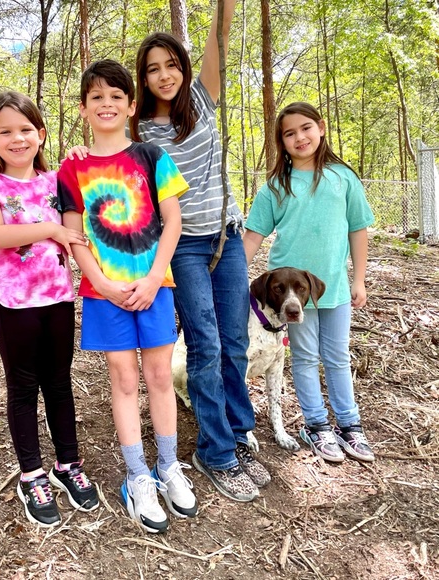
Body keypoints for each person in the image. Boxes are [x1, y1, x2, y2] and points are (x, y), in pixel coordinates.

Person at [129, 0, 271, 501]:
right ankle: (215, 453)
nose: (164, 75)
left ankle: (237, 432)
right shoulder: (139, 131)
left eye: (171, 65)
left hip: (226, 236)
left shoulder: (201, 100)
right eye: (153, 69)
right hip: (182, 246)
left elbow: (220, 34)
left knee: (234, 340)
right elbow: (107, 152)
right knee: (205, 344)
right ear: (143, 79)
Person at [57, 60, 198, 534]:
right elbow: (73, 235)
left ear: (132, 105)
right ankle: (137, 476)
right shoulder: (72, 167)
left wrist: (155, 277)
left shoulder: (152, 156)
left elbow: (173, 221)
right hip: (104, 294)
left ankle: (168, 466)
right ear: (83, 108)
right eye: (96, 97)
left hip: (155, 287)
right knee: (122, 380)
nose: (107, 104)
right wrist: (102, 283)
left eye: (116, 96)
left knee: (159, 376)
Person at [0, 91, 99, 528]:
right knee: (23, 387)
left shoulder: (56, 180)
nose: (17, 138)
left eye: (25, 129)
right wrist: (51, 229)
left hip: (58, 298)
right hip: (14, 303)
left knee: (59, 383)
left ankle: (67, 465)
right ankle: (31, 475)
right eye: (5, 132)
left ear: (41, 134)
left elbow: (91, 186)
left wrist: (81, 155)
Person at [243, 102, 376, 463]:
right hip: (289, 296)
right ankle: (316, 426)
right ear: (281, 141)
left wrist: (359, 279)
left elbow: (358, 229)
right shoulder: (276, 186)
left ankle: (349, 425)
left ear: (321, 127)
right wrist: (233, 277)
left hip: (333, 289)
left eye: (305, 128)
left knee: (337, 357)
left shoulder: (343, 178)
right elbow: (253, 236)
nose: (299, 137)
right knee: (303, 357)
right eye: (289, 133)